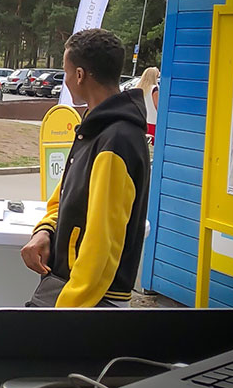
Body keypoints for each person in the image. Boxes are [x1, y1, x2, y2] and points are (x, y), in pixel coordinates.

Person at [20, 28, 151, 308]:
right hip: (70, 287)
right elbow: (66, 197)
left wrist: (66, 309)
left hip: (94, 301)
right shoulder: (96, 127)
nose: (65, 80)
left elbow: (102, 241)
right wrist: (45, 231)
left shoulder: (117, 139)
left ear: (80, 75)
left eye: (65, 71)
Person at [135, 66, 160, 138]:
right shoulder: (154, 89)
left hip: (141, 120)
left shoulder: (138, 88)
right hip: (153, 121)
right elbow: (157, 105)